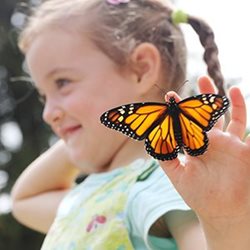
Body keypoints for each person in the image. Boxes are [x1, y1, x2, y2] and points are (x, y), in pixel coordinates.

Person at [11, 0, 250, 249]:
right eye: (43, 96)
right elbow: (23, 200)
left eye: (61, 83)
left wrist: (227, 223)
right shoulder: (91, 197)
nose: (48, 114)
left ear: (141, 69)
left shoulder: (164, 183)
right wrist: (76, 126)